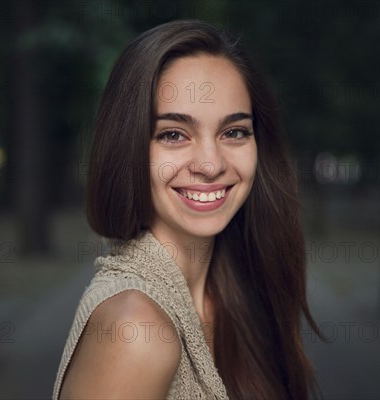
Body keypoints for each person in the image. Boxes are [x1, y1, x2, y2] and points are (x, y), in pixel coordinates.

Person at [53, 20, 321, 400]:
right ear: (127, 147)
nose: (210, 165)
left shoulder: (239, 290)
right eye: (173, 134)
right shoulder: (133, 330)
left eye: (234, 132)